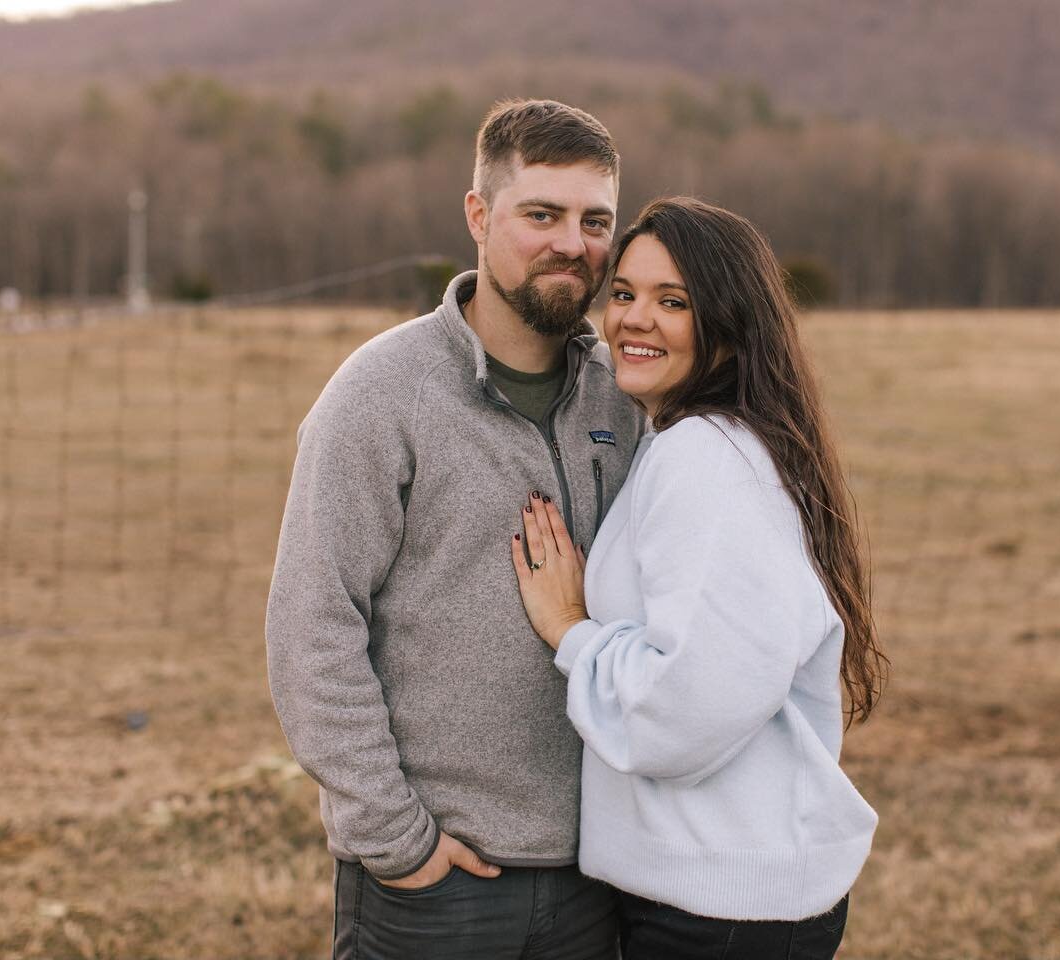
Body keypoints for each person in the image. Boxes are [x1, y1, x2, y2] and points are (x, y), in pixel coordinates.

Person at [265, 99, 644, 960]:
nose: (572, 244)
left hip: (601, 875)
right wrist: (398, 843)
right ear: (478, 216)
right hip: (438, 886)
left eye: (595, 221)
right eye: (540, 214)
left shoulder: (625, 401)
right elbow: (312, 627)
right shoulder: (380, 394)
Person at [512, 197, 886, 959]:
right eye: (624, 294)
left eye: (673, 302)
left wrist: (571, 632)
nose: (634, 320)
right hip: (721, 897)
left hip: (717, 914)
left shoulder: (707, 459)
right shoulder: (706, 441)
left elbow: (687, 708)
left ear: (729, 322)